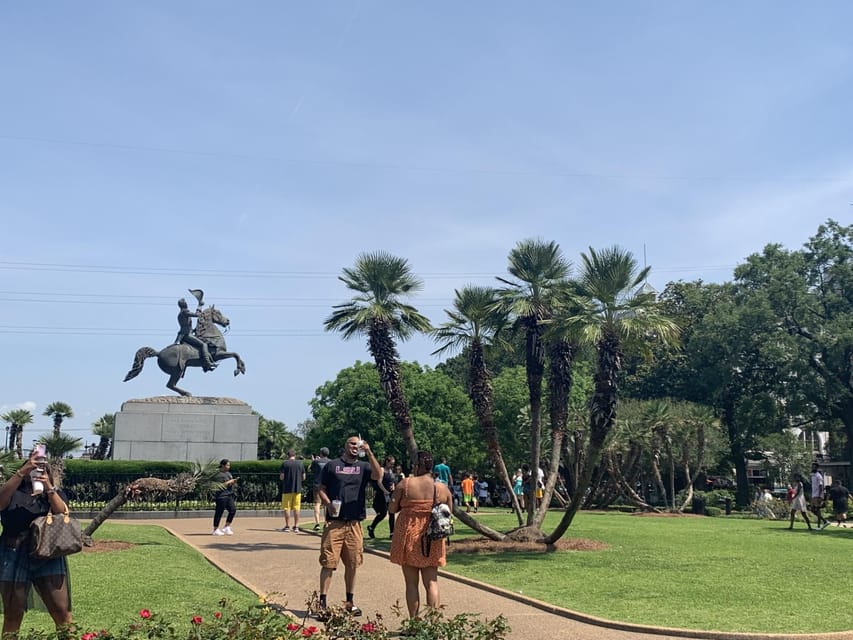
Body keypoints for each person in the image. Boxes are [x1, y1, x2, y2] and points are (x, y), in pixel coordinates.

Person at [0, 449, 73, 636]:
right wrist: (21, 472)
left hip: (47, 553)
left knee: (62, 613)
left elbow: (62, 513)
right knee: (13, 614)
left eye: (42, 469)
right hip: (13, 551)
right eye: (34, 468)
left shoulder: (52, 493)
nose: (37, 472)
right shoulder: (13, 491)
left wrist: (48, 487)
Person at [315, 435, 382, 619]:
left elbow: (378, 476)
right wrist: (328, 504)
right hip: (335, 523)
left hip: (354, 524)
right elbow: (321, 487)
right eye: (352, 443)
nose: (355, 446)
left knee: (353, 564)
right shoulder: (332, 465)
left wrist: (369, 452)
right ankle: (322, 603)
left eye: (357, 444)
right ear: (345, 446)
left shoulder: (363, 467)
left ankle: (350, 602)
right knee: (329, 562)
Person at [388, 450, 453, 619]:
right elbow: (449, 512)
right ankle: (433, 624)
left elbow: (391, 509)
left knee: (411, 583)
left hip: (409, 536)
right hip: (433, 537)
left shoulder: (406, 484)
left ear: (417, 465)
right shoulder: (441, 488)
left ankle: (415, 623)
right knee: (432, 582)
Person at [174, 297, 216, 371]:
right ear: (184, 305)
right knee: (204, 344)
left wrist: (194, 330)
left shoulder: (181, 313)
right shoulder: (185, 312)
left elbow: (186, 326)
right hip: (186, 335)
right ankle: (207, 363)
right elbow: (197, 315)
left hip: (185, 334)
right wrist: (200, 305)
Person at [367, 455, 396, 539]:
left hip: (390, 494)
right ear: (387, 462)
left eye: (393, 464)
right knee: (383, 513)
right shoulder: (382, 470)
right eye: (391, 464)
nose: (392, 466)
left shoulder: (391, 471)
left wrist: (393, 486)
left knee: (392, 513)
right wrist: (384, 491)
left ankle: (392, 533)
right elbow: (379, 482)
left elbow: (392, 481)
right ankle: (371, 527)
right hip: (382, 494)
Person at [279, 450, 306, 533]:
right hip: (297, 489)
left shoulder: (285, 464)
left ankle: (287, 526)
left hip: (287, 489)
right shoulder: (300, 464)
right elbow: (304, 477)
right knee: (296, 508)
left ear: (288, 455)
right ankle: (296, 526)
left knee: (287, 508)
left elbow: (282, 477)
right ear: (295, 455)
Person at [213, 459, 238, 535]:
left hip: (229, 495)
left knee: (233, 510)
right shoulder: (218, 474)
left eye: (229, 465)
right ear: (223, 465)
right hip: (221, 496)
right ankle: (215, 529)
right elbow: (219, 486)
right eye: (227, 465)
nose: (229, 467)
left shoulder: (229, 474)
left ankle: (226, 526)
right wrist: (229, 482)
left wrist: (233, 482)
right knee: (219, 512)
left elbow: (229, 484)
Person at [309, 448, 331, 531]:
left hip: (317, 485)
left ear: (321, 453)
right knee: (326, 504)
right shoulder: (330, 462)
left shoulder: (316, 462)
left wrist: (313, 461)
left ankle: (317, 523)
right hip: (327, 485)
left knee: (317, 503)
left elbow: (310, 469)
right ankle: (326, 522)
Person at [809, 463, 829, 529]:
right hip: (813, 494)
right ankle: (824, 521)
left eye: (814, 467)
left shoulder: (818, 476)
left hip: (817, 495)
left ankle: (820, 525)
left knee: (817, 509)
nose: (812, 468)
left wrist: (820, 496)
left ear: (817, 468)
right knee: (812, 509)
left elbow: (821, 486)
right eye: (812, 467)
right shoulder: (813, 475)